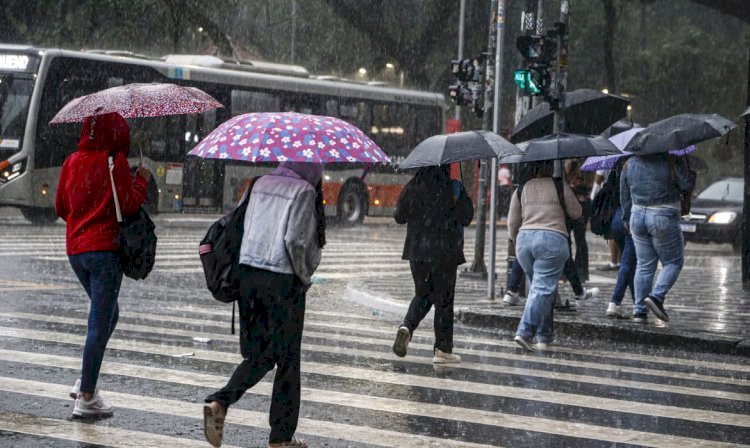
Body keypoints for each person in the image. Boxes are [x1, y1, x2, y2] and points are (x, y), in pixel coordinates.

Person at [203, 162, 325, 448]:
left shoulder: (259, 183)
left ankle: (220, 402)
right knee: (288, 360)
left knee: (260, 355)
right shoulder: (304, 191)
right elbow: (295, 241)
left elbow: (241, 226)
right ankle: (281, 437)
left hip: (248, 277)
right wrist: (305, 276)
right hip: (283, 280)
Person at [55, 112, 149, 417]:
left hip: (75, 251)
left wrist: (82, 221)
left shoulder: (72, 161)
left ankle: (86, 376)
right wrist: (142, 181)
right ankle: (86, 396)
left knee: (110, 313)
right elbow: (130, 204)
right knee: (98, 322)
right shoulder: (113, 159)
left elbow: (60, 207)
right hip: (104, 251)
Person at [391, 165, 473, 364]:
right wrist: (461, 195)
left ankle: (407, 327)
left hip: (417, 252)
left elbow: (399, 217)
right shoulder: (453, 187)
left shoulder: (413, 186)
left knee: (423, 293)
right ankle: (443, 349)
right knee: (444, 300)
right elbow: (467, 217)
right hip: (445, 252)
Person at [508, 160, 582, 351]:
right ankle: (525, 332)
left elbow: (512, 222)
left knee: (540, 289)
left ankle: (545, 335)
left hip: (524, 242)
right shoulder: (559, 185)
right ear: (550, 168)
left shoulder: (522, 188)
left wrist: (515, 241)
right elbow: (576, 212)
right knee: (542, 289)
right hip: (551, 240)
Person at [620, 153, 695, 323]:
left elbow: (624, 194)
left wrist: (626, 218)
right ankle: (657, 296)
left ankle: (639, 311)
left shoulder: (629, 163)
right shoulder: (671, 159)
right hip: (663, 213)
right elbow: (686, 184)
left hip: (637, 214)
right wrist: (688, 170)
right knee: (673, 262)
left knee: (644, 265)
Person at [564, 159, 592, 282]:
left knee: (579, 238)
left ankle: (579, 272)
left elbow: (582, 184)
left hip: (580, 203)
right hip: (574, 203)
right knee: (567, 238)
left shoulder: (581, 165)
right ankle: (569, 270)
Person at [591, 169, 622, 272]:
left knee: (612, 231)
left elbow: (599, 176)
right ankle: (620, 260)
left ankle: (614, 261)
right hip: (621, 195)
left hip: (611, 197)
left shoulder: (608, 155)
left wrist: (593, 196)